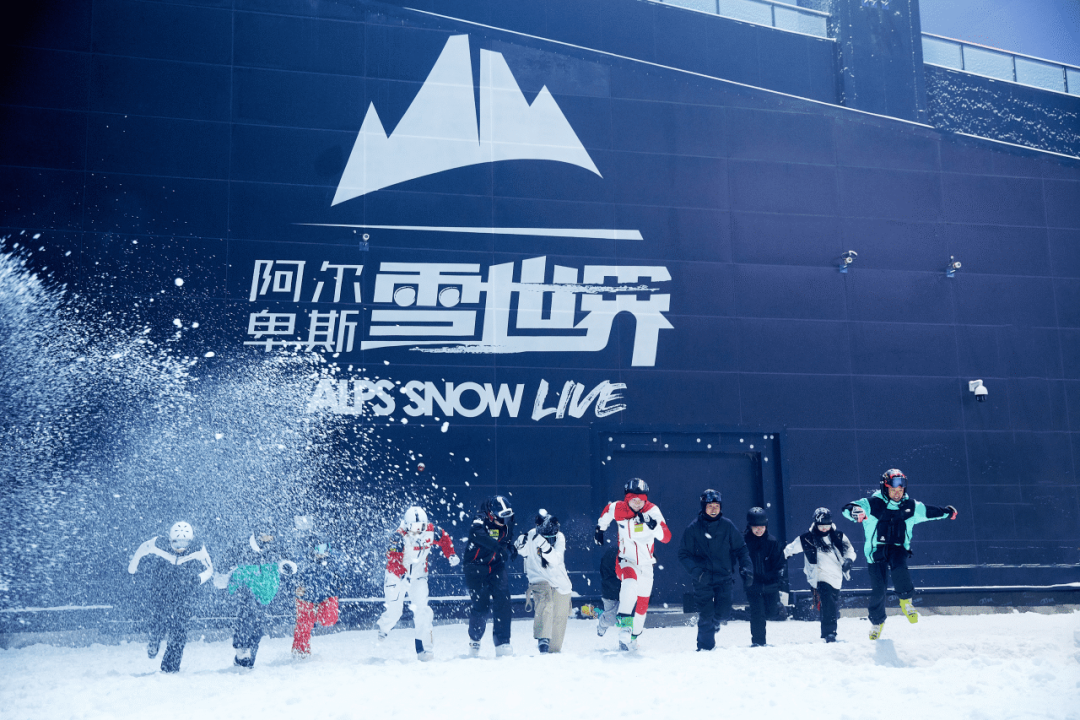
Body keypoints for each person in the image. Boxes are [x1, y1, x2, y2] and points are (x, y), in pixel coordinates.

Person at [842, 469, 958, 640]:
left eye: (900, 490)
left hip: (898, 548)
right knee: (879, 589)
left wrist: (948, 512)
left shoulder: (911, 507)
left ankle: (906, 601)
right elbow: (848, 507)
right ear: (885, 488)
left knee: (899, 568)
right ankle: (877, 623)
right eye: (893, 490)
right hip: (876, 551)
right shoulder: (873, 504)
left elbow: (931, 512)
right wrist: (854, 511)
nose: (897, 493)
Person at [594, 478, 672, 651]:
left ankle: (633, 637)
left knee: (642, 605)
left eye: (641, 500)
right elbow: (607, 512)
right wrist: (600, 529)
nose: (637, 503)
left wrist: (653, 525)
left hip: (646, 564)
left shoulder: (652, 511)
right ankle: (625, 625)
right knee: (629, 582)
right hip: (626, 560)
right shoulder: (618, 508)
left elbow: (666, 537)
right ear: (626, 498)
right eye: (633, 499)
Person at [128, 521, 214, 673]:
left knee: (179, 629)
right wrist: (132, 568)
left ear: (191, 541)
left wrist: (198, 579)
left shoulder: (198, 548)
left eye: (184, 543)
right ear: (169, 539)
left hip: (183, 587)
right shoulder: (158, 543)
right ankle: (155, 639)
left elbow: (210, 569)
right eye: (176, 542)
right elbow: (141, 550)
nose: (180, 548)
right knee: (159, 617)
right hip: (161, 584)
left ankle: (170, 666)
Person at [376, 506, 458, 661]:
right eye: (414, 527)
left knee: (422, 611)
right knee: (395, 612)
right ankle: (384, 627)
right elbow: (393, 561)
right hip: (396, 576)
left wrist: (451, 554)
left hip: (419, 576)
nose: (418, 530)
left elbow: (444, 538)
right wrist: (402, 575)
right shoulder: (398, 536)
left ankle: (424, 649)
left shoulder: (431, 531)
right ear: (407, 525)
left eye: (421, 526)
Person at [677, 489, 752, 651]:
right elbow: (683, 554)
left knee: (724, 612)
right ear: (703, 507)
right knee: (706, 615)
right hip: (702, 578)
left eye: (716, 506)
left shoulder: (727, 526)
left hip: (724, 576)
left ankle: (715, 623)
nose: (713, 509)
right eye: (710, 506)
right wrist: (697, 572)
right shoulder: (693, 528)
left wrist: (747, 568)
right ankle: (705, 648)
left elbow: (741, 549)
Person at [213, 527, 297, 668]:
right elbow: (224, 566)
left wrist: (286, 566)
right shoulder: (242, 547)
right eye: (265, 535)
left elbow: (286, 561)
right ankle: (242, 648)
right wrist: (225, 574)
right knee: (247, 616)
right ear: (258, 534)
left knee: (258, 626)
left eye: (271, 536)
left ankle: (246, 659)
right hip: (245, 587)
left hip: (264, 591)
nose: (268, 539)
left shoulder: (276, 547)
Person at [783, 508, 856, 643]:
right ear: (815, 524)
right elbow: (790, 549)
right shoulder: (807, 539)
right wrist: (779, 558)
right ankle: (829, 633)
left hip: (836, 575)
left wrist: (849, 560)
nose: (824, 528)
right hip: (818, 576)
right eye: (821, 526)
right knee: (827, 601)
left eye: (827, 525)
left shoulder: (838, 536)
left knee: (830, 603)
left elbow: (850, 550)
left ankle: (829, 627)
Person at [463, 495, 516, 657]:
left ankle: (502, 642)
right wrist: (497, 547)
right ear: (491, 515)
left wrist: (510, 548)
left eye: (507, 518)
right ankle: (475, 639)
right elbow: (476, 534)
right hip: (475, 567)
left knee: (504, 601)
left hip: (496, 566)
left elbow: (506, 538)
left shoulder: (508, 521)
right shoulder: (480, 519)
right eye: (501, 518)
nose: (505, 522)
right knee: (482, 605)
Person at [515, 511, 572, 653]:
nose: (549, 540)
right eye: (546, 538)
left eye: (551, 538)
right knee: (545, 604)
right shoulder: (531, 535)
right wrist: (520, 545)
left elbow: (555, 559)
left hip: (560, 584)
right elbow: (523, 551)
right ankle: (542, 639)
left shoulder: (560, 537)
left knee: (558, 626)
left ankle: (551, 651)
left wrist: (544, 545)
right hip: (539, 579)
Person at [291, 537, 342, 659]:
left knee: (329, 618)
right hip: (305, 596)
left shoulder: (333, 562)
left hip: (326, 595)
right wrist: (295, 587)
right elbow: (292, 576)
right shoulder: (303, 561)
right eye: (318, 549)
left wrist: (336, 586)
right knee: (304, 623)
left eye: (325, 549)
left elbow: (339, 576)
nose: (322, 553)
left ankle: (316, 615)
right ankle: (300, 651)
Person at [744, 506, 787, 647]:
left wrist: (778, 579)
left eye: (762, 527)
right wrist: (745, 574)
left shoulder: (772, 542)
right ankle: (758, 641)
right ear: (750, 526)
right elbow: (739, 559)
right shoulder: (744, 542)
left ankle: (777, 606)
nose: (759, 530)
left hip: (770, 583)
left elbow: (780, 562)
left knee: (771, 613)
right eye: (755, 527)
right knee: (758, 614)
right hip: (753, 584)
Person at [595, 546, 621, 637]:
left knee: (627, 618)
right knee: (610, 619)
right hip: (610, 592)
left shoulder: (633, 552)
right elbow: (607, 576)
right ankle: (601, 625)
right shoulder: (612, 555)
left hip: (625, 590)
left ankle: (625, 639)